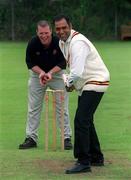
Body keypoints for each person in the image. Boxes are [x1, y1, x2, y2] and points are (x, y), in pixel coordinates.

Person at [52, 14, 110, 174]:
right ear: (54, 29)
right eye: (58, 28)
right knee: (87, 120)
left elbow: (76, 72)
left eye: (64, 27)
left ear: (70, 25)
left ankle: (83, 161)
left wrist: (69, 83)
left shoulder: (78, 43)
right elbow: (74, 69)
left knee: (81, 120)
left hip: (96, 80)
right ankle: (96, 157)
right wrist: (72, 83)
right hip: (86, 83)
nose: (61, 31)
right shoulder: (62, 42)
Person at [19, 20, 72, 150]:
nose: (44, 36)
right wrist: (42, 73)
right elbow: (29, 63)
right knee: (33, 107)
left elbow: (63, 62)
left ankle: (66, 138)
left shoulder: (58, 43)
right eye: (41, 33)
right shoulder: (32, 43)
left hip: (57, 74)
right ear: (37, 32)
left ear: (51, 32)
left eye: (46, 33)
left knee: (62, 108)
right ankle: (31, 138)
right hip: (37, 75)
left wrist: (50, 73)